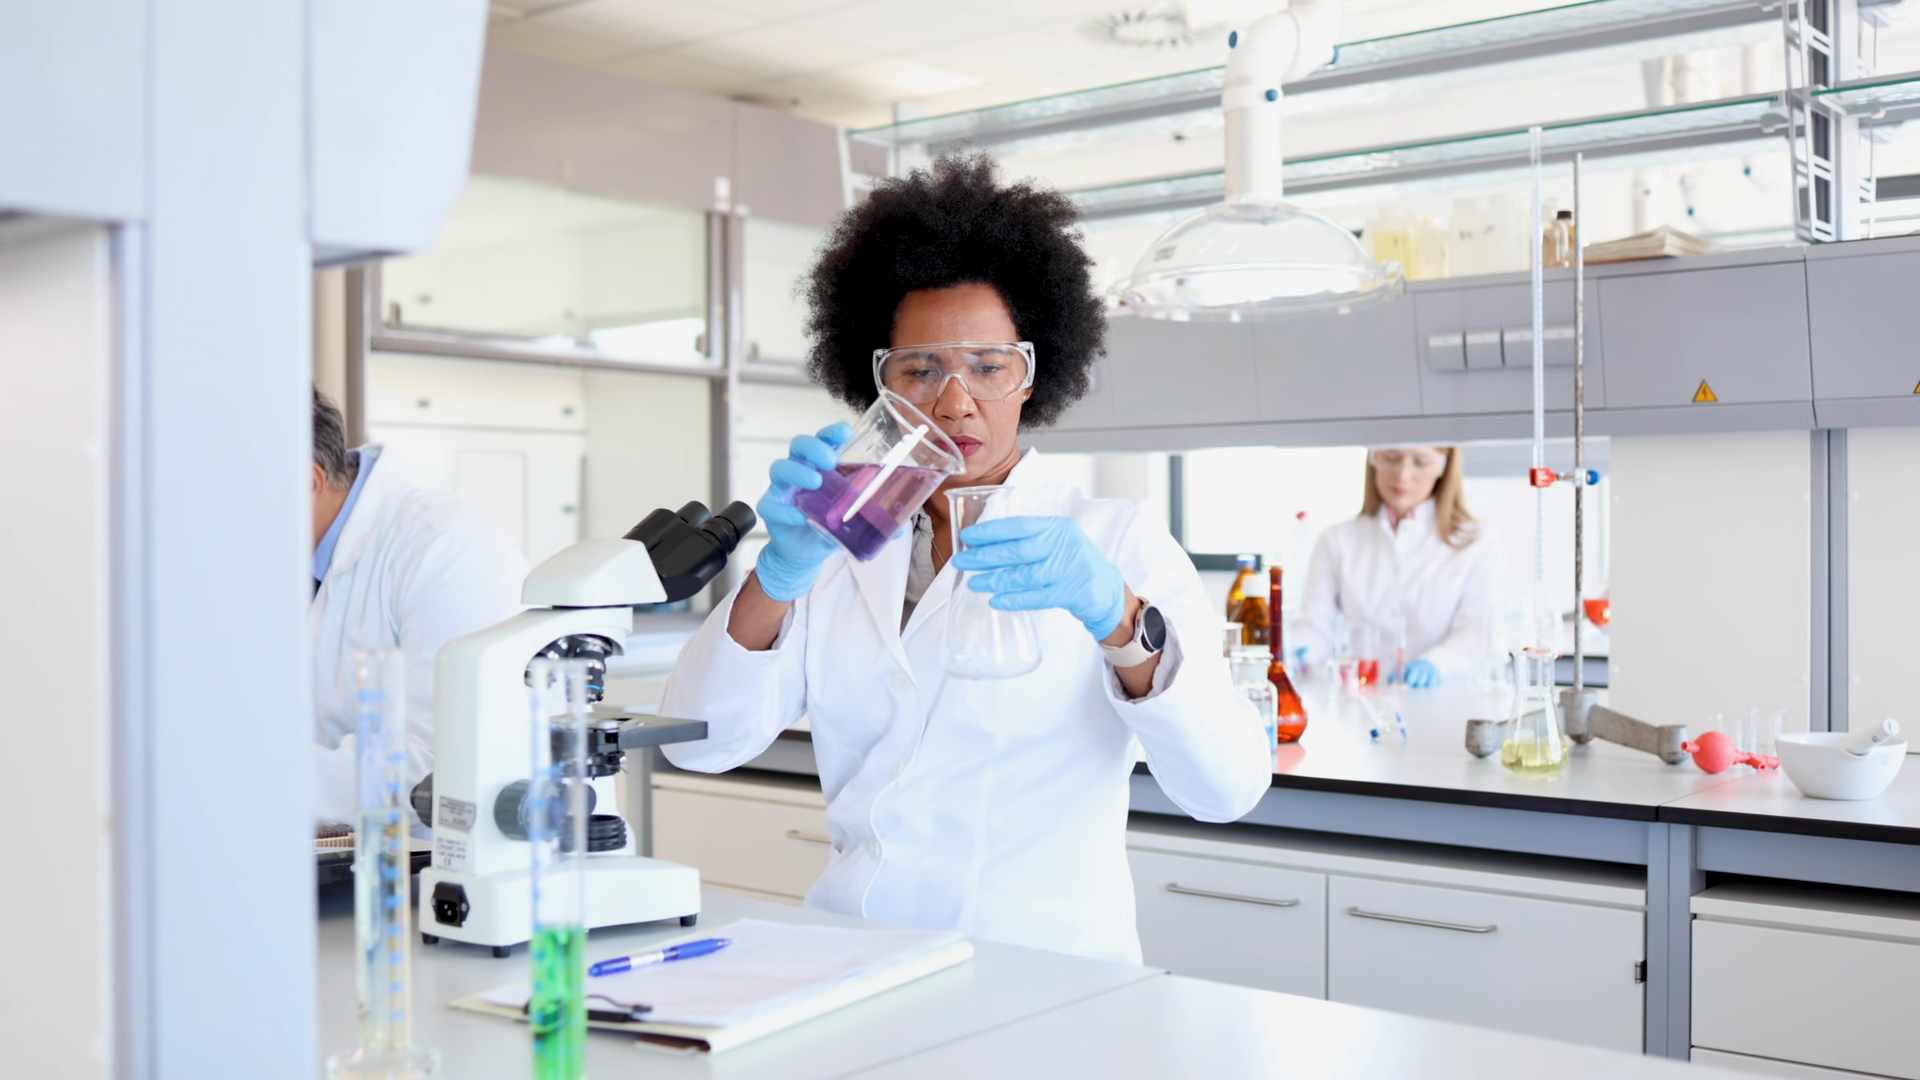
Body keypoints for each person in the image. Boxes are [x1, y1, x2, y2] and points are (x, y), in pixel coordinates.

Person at [661, 156, 1270, 964]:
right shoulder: (839, 542)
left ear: (1032, 375)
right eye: (921, 370)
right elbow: (699, 744)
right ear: (881, 385)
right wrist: (778, 577)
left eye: (988, 367)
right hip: (854, 953)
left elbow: (1226, 788)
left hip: (1039, 969)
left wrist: (1120, 618)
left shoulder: (1116, 540)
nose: (955, 402)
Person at [309, 388, 524, 822]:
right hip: (344, 847)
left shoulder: (445, 546)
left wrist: (251, 773)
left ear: (308, 483)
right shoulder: (296, 560)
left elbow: (437, 764)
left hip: (457, 853)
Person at [1297, 446, 1502, 689]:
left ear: (1444, 467)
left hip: (1445, 696)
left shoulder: (1475, 540)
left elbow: (1477, 630)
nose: (1403, 475)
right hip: (1363, 697)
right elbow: (1317, 627)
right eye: (1391, 458)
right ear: (1373, 460)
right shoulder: (1337, 540)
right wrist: (1295, 654)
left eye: (1421, 462)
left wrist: (1436, 663)